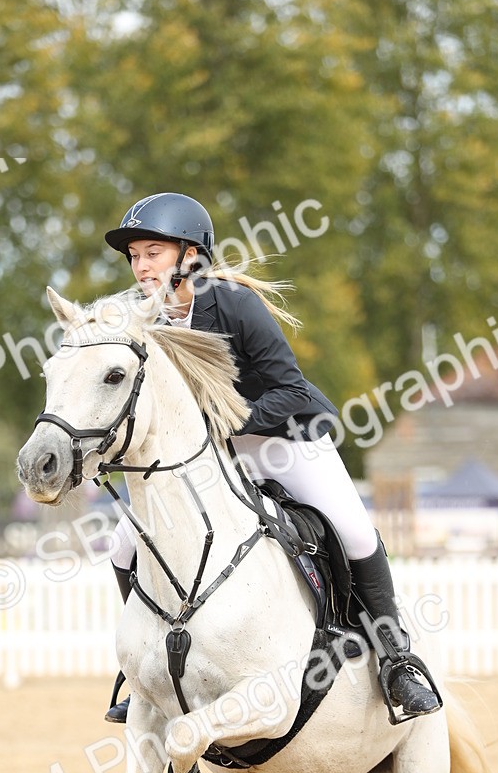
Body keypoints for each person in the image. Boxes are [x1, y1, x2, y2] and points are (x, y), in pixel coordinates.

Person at [101, 192, 442, 726]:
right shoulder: (140, 319)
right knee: (124, 543)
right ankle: (144, 669)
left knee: (354, 532)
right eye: (135, 256)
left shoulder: (233, 304)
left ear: (190, 255)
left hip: (284, 438)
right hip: (214, 455)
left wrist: (226, 424)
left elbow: (290, 389)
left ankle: (397, 661)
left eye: (153, 253)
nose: (141, 266)